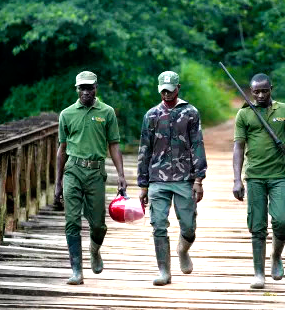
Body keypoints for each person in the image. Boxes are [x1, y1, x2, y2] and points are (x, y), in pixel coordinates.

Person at [232, 73, 285, 289]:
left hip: (279, 176)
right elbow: (238, 148)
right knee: (257, 226)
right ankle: (259, 273)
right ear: (251, 92)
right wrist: (236, 179)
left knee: (281, 220)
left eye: (265, 90)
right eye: (256, 91)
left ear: (271, 88)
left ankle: (276, 256)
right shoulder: (244, 114)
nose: (261, 95)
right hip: (254, 177)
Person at [54, 71, 127, 285]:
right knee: (72, 221)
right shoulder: (66, 114)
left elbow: (114, 145)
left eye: (89, 88)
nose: (86, 92)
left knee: (98, 225)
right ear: (76, 89)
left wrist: (121, 175)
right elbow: (62, 149)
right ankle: (76, 270)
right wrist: (57, 183)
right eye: (81, 88)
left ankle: (94, 250)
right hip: (73, 171)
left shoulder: (107, 112)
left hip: (95, 172)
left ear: (96, 88)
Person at [137, 70, 207, 286]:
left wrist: (198, 179)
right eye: (163, 90)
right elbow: (144, 149)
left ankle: (183, 250)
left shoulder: (191, 113)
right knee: (158, 224)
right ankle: (164, 271)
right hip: (158, 179)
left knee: (188, 227)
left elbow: (197, 145)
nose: (166, 94)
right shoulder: (151, 115)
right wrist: (143, 185)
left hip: (184, 178)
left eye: (170, 90)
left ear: (178, 88)